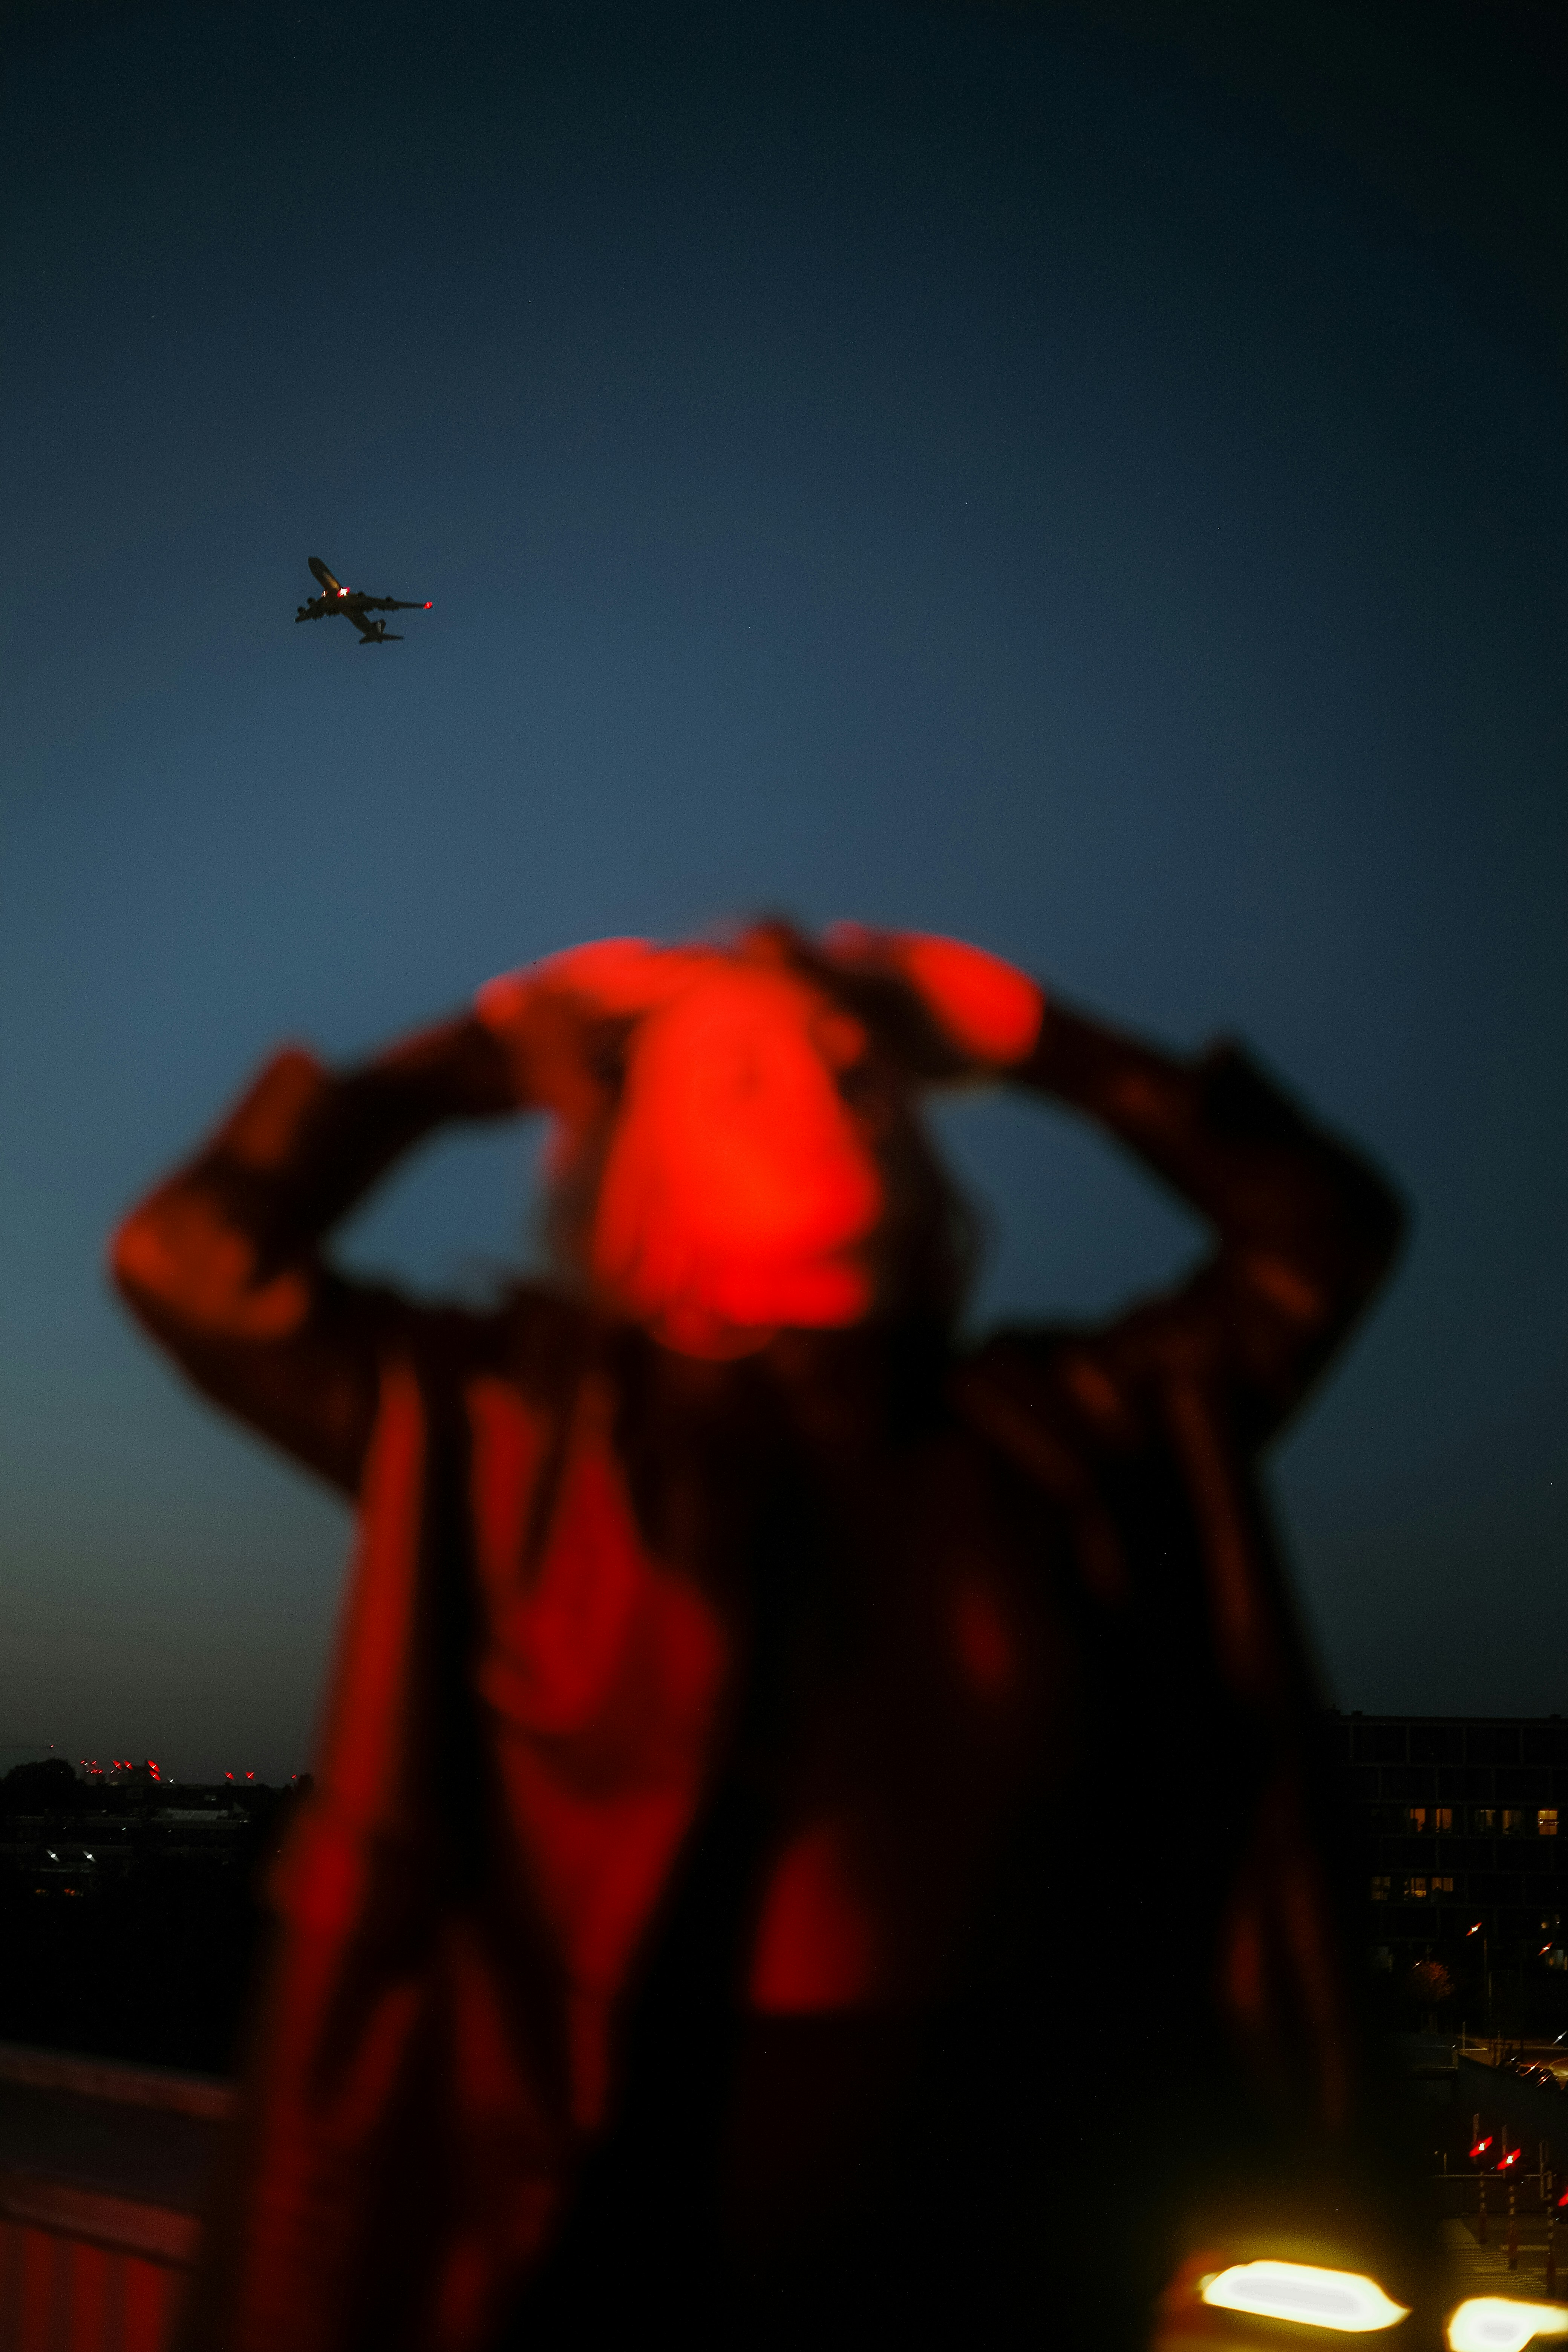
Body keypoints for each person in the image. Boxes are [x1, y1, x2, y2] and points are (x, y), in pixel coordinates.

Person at [113, 922, 1411, 2352]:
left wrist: (1040, 1036)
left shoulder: (1083, 1434)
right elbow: (193, 1260)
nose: (822, 1096)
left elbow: (1325, 1234)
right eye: (740, 1080)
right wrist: (478, 1056)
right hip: (586, 2254)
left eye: (857, 1073)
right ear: (642, 1183)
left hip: (1027, 2262)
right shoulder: (512, 1431)